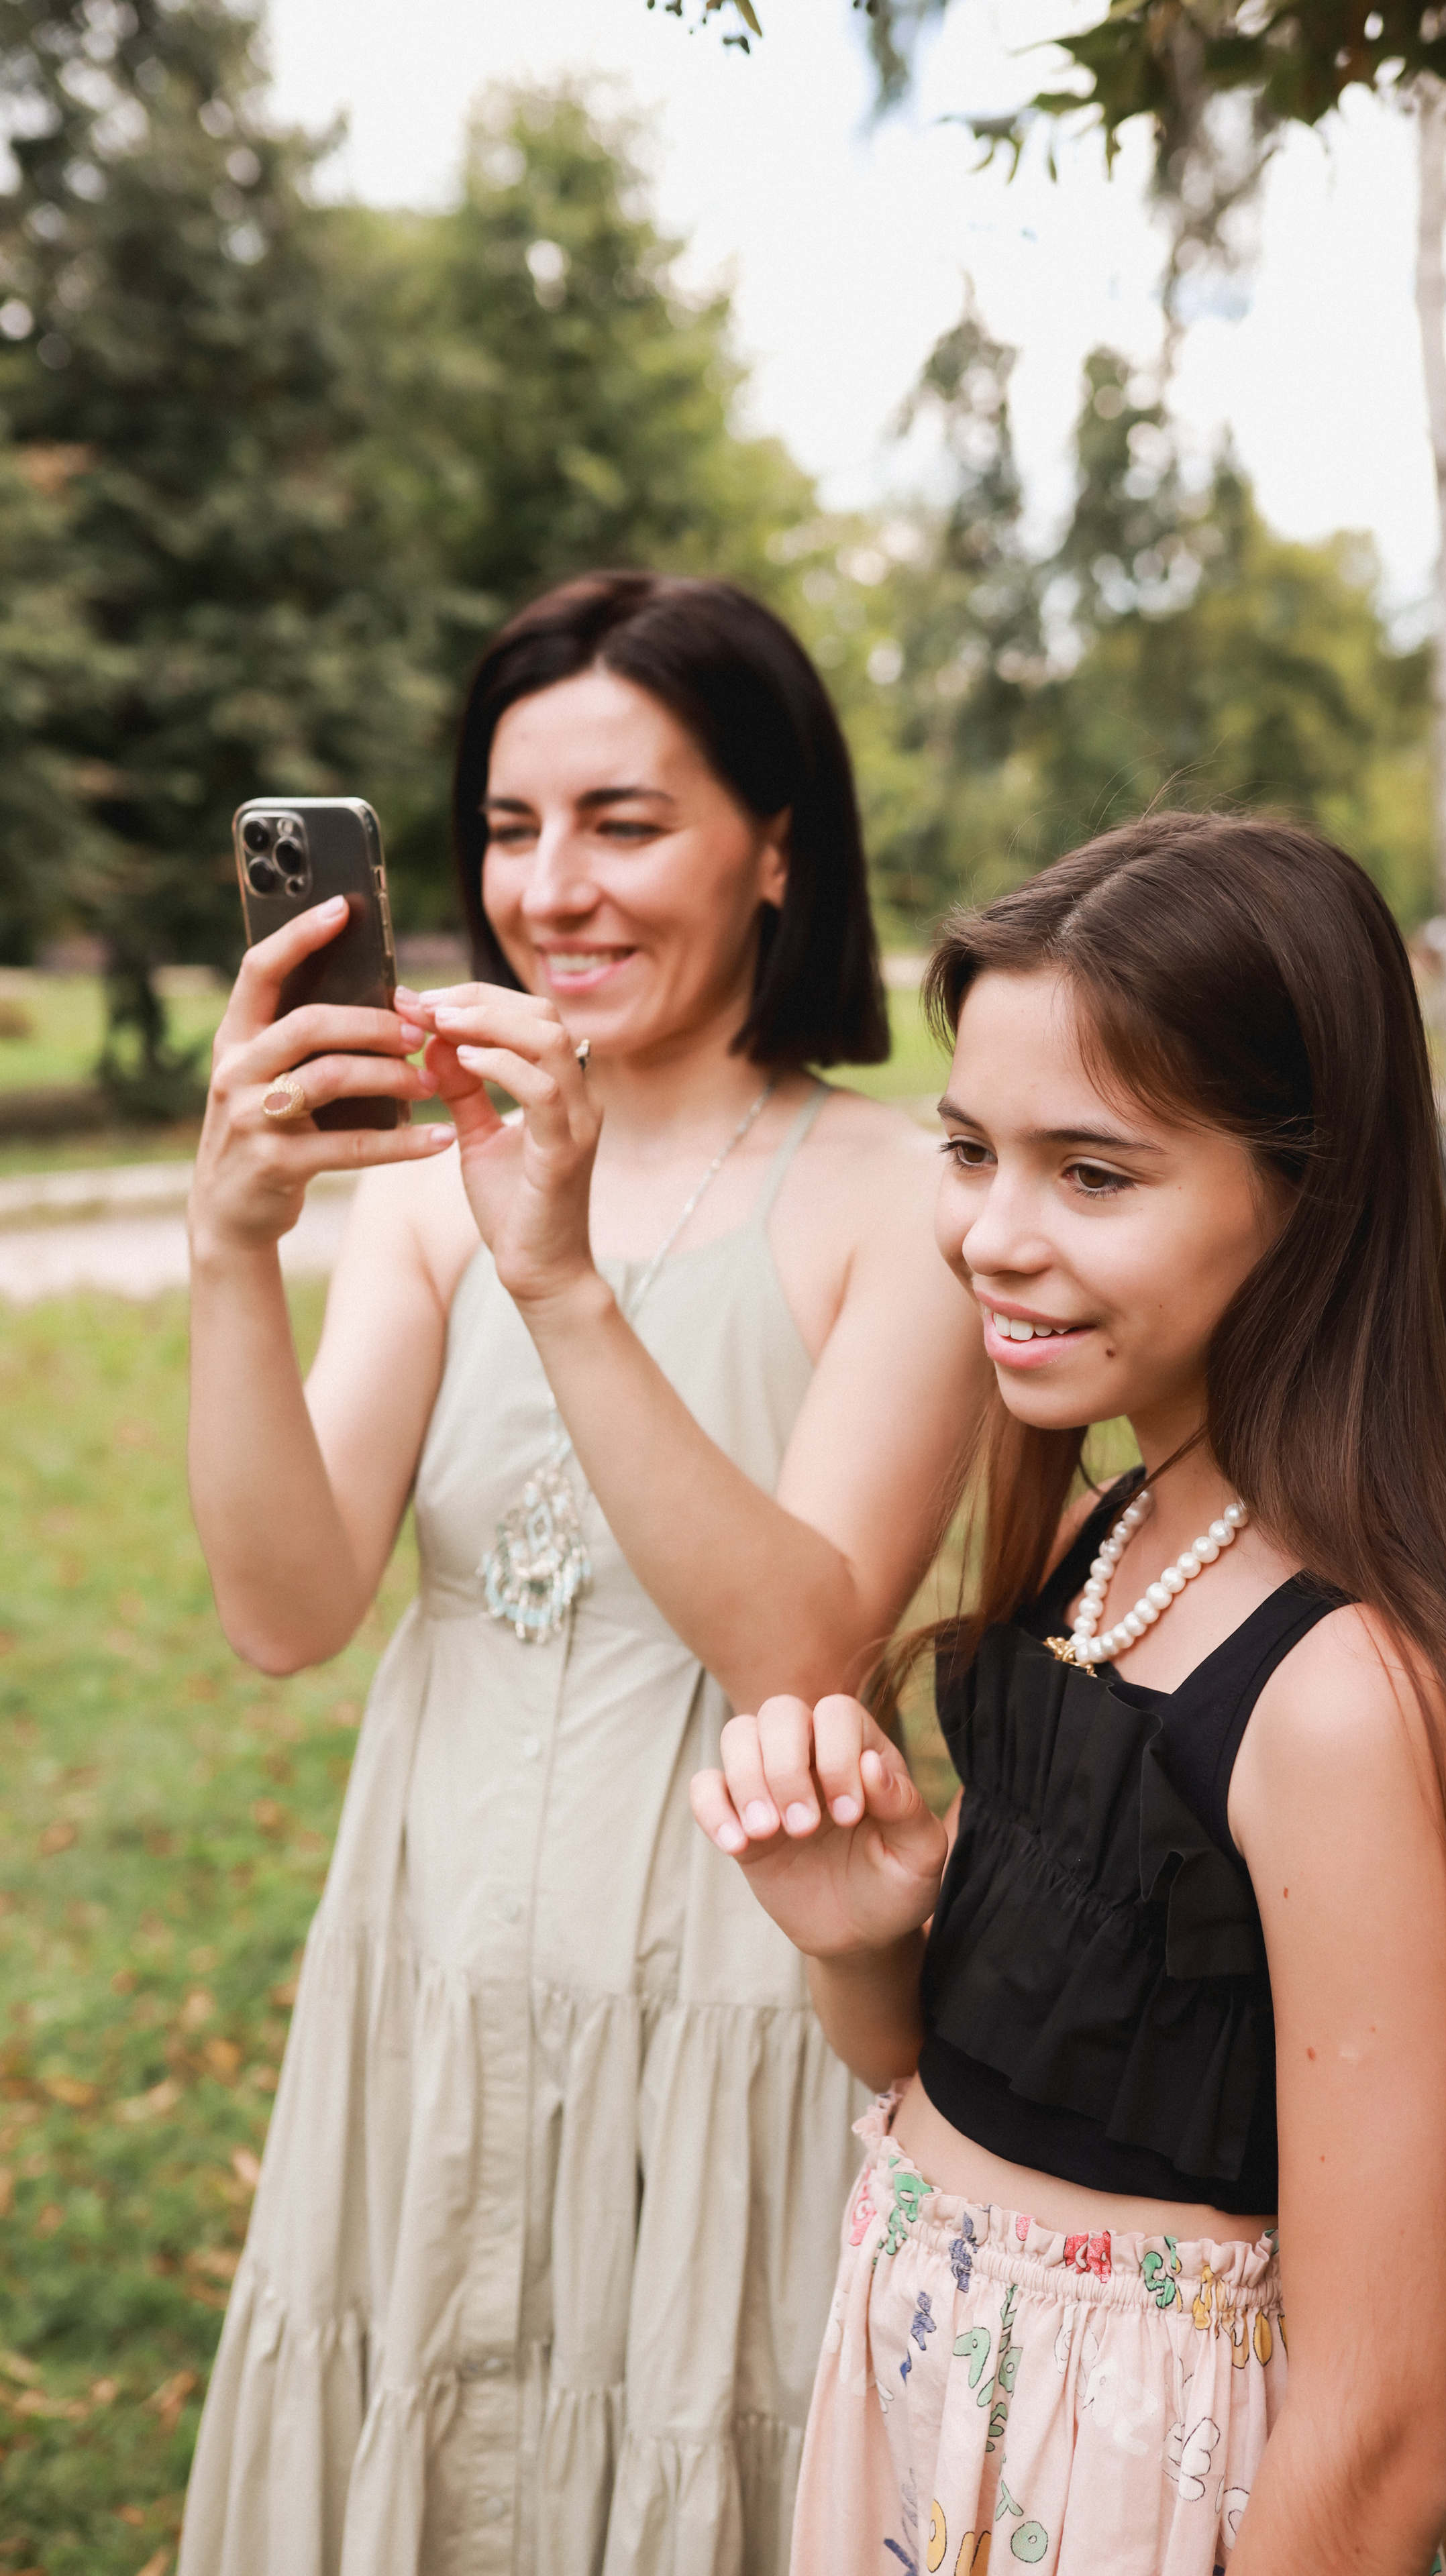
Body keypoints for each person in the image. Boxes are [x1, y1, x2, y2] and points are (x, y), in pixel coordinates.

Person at [178, 572, 987, 2575]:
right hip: (437, 1950)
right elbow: (287, 1613)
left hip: (736, 1986)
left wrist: (556, 1275)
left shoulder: (897, 1198)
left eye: (626, 822)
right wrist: (227, 1255)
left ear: (778, 845)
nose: (557, 889)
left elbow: (802, 1642)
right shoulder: (430, 1192)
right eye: (514, 829)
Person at [692, 815, 1446, 2576]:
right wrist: (867, 1937)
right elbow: (961, 2081)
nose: (992, 1239)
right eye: (967, 1151)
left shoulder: (1335, 1699)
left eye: (1092, 1175)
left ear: (1308, 1194)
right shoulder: (1095, 1546)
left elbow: (1384, 2433)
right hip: (934, 2436)